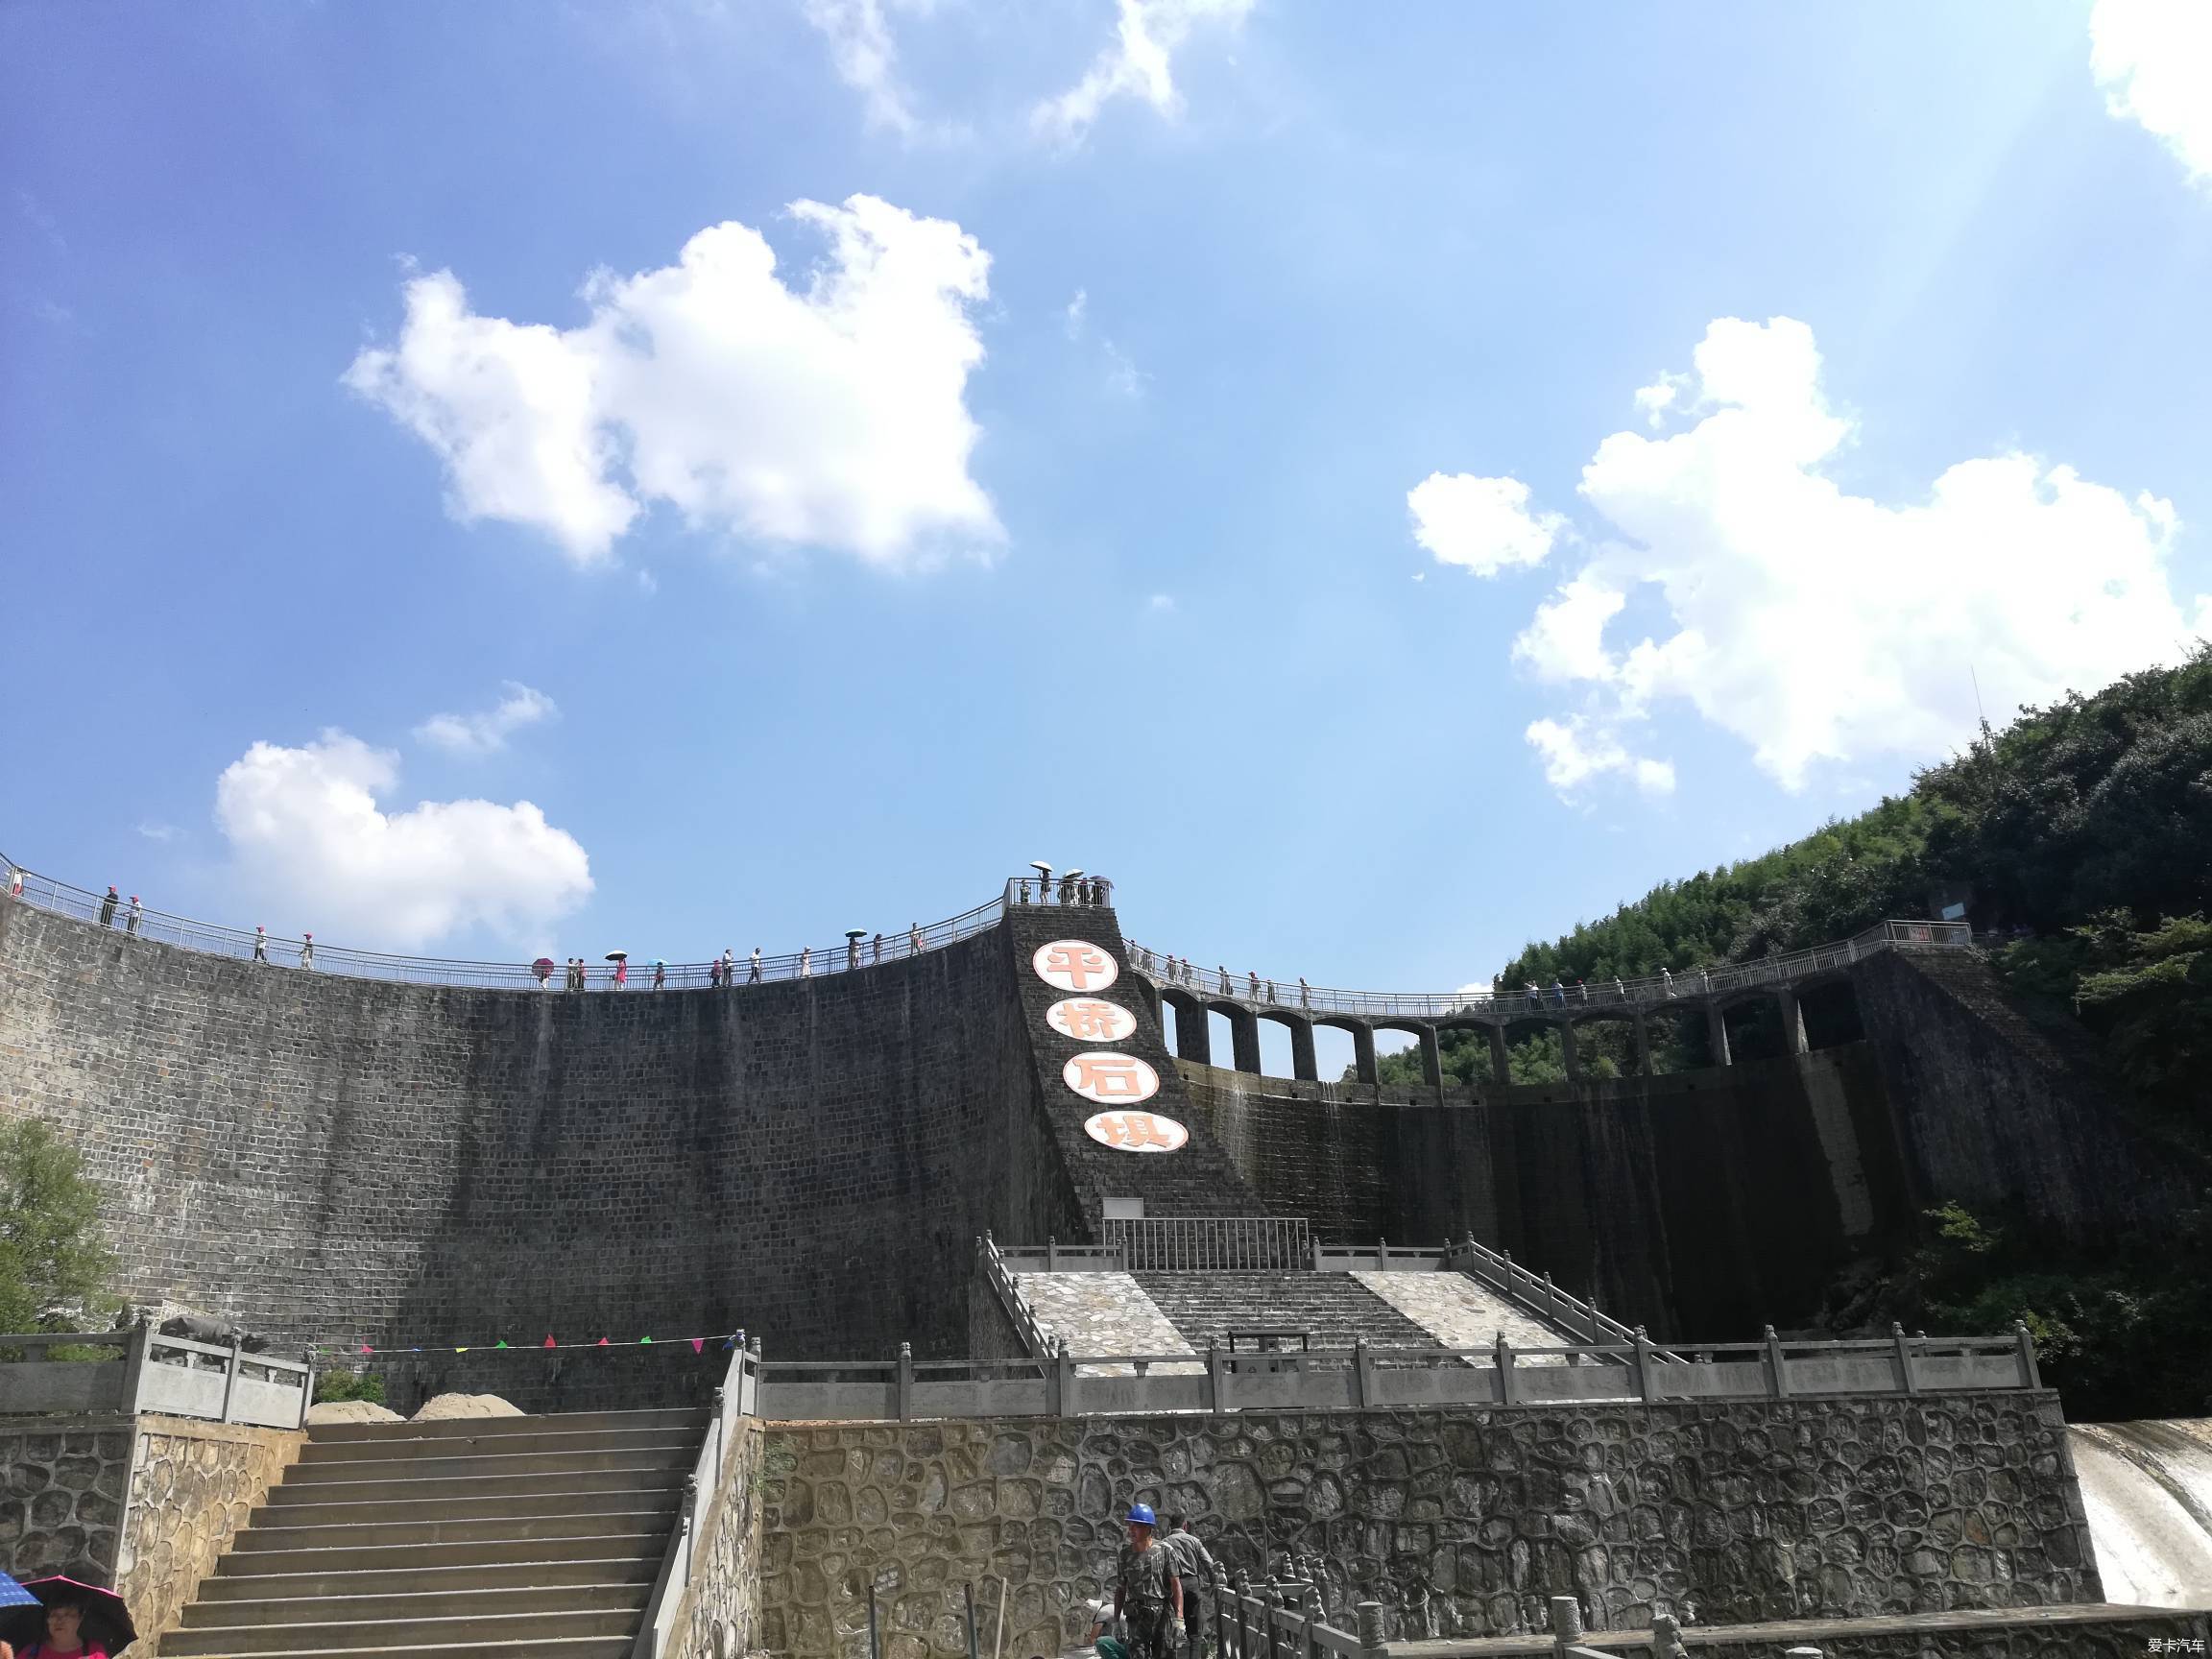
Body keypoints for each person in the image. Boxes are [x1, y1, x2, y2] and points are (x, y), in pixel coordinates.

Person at [1114, 1503, 1182, 1659]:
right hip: (1136, 1617)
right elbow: (1120, 1589)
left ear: (1148, 1528)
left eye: (1135, 1526)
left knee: (1165, 1655)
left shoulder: (1165, 1551)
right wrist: (1116, 1621)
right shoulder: (1124, 1555)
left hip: (1162, 1615)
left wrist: (1179, 1618)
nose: (1131, 1530)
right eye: (1129, 1526)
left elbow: (1176, 1586)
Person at [1161, 1514, 1221, 1659]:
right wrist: (1213, 1582)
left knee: (1171, 1630)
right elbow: (1208, 1563)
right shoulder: (1194, 1541)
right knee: (1195, 1634)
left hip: (1172, 1587)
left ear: (1170, 1526)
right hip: (1192, 1585)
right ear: (1185, 1525)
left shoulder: (1163, 1543)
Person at [19, 1590, 108, 1657]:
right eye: (54, 1615)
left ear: (80, 1619)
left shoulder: (95, 1652)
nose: (59, 1621)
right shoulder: (31, 1653)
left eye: (67, 1615)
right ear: (47, 1620)